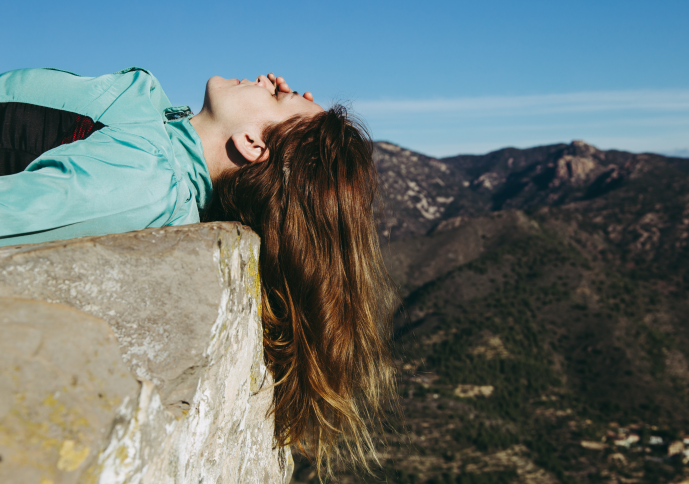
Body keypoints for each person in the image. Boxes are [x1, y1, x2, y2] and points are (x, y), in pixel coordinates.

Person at [0, 66, 399, 476]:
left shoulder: (144, 183)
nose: (269, 78)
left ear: (250, 143)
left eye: (279, 95)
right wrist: (291, 110)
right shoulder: (163, 141)